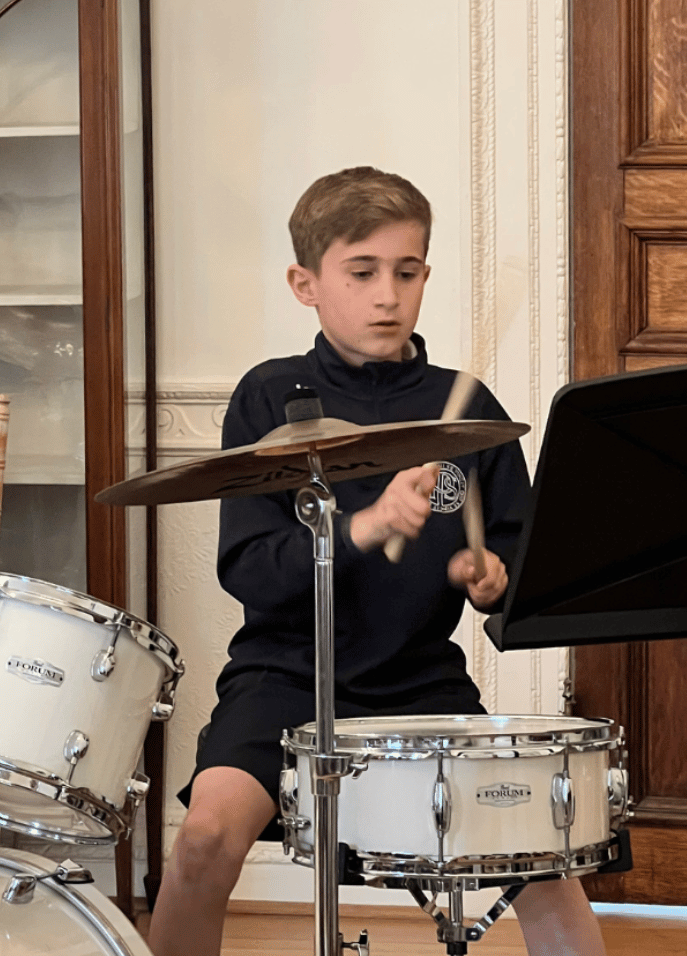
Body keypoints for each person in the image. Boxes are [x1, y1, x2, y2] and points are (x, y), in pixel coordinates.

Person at [147, 166, 607, 956]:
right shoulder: (269, 398)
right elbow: (250, 571)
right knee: (202, 842)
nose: (387, 296)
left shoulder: (465, 405)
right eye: (362, 274)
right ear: (306, 283)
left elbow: (520, 571)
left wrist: (493, 580)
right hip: (286, 674)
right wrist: (363, 526)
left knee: (546, 861)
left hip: (423, 679)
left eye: (407, 271)